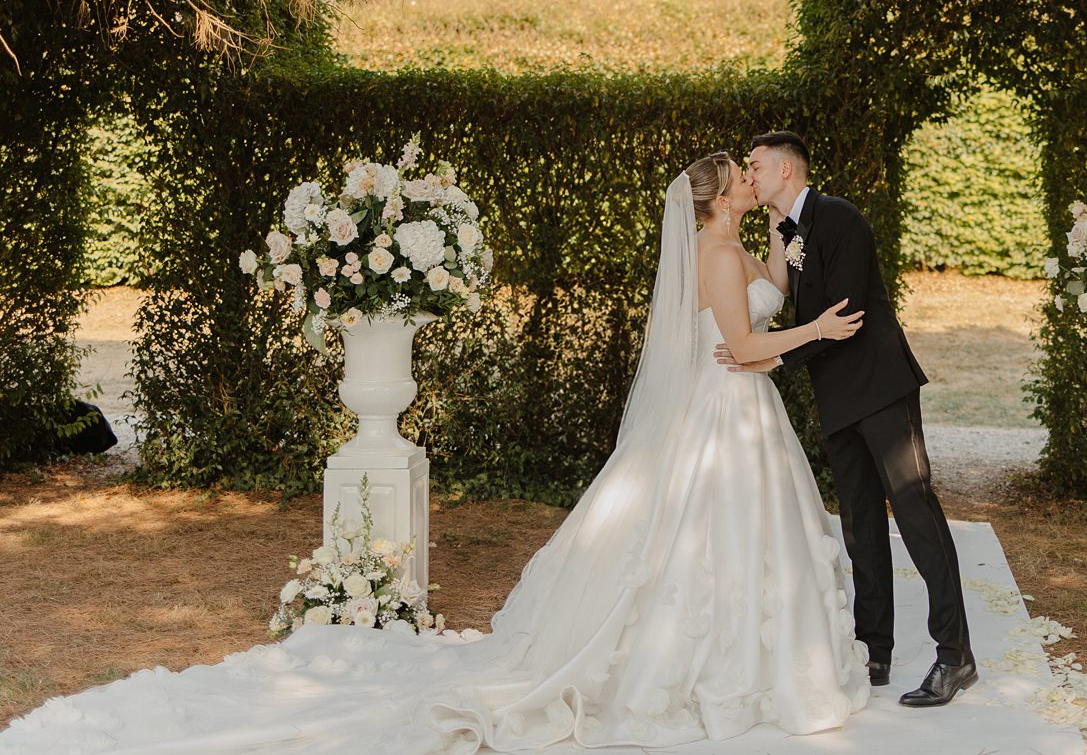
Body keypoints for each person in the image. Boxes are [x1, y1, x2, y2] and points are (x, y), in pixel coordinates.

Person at [0, 155, 872, 754]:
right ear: (720, 200)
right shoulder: (717, 254)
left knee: (739, 542)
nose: (753, 181)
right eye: (741, 177)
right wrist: (819, 328)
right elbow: (746, 347)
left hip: (743, 418)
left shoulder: (730, 244)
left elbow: (758, 305)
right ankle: (724, 667)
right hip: (732, 412)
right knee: (717, 543)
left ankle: (750, 653)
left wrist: (785, 271)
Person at [723, 130, 976, 707]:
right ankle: (874, 648)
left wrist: (772, 359)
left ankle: (955, 655)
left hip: (881, 389)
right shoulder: (786, 230)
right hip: (836, 397)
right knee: (861, 525)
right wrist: (771, 241)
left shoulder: (841, 218)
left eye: (757, 166)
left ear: (787, 170)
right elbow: (784, 299)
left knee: (916, 514)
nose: (750, 174)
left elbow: (844, 315)